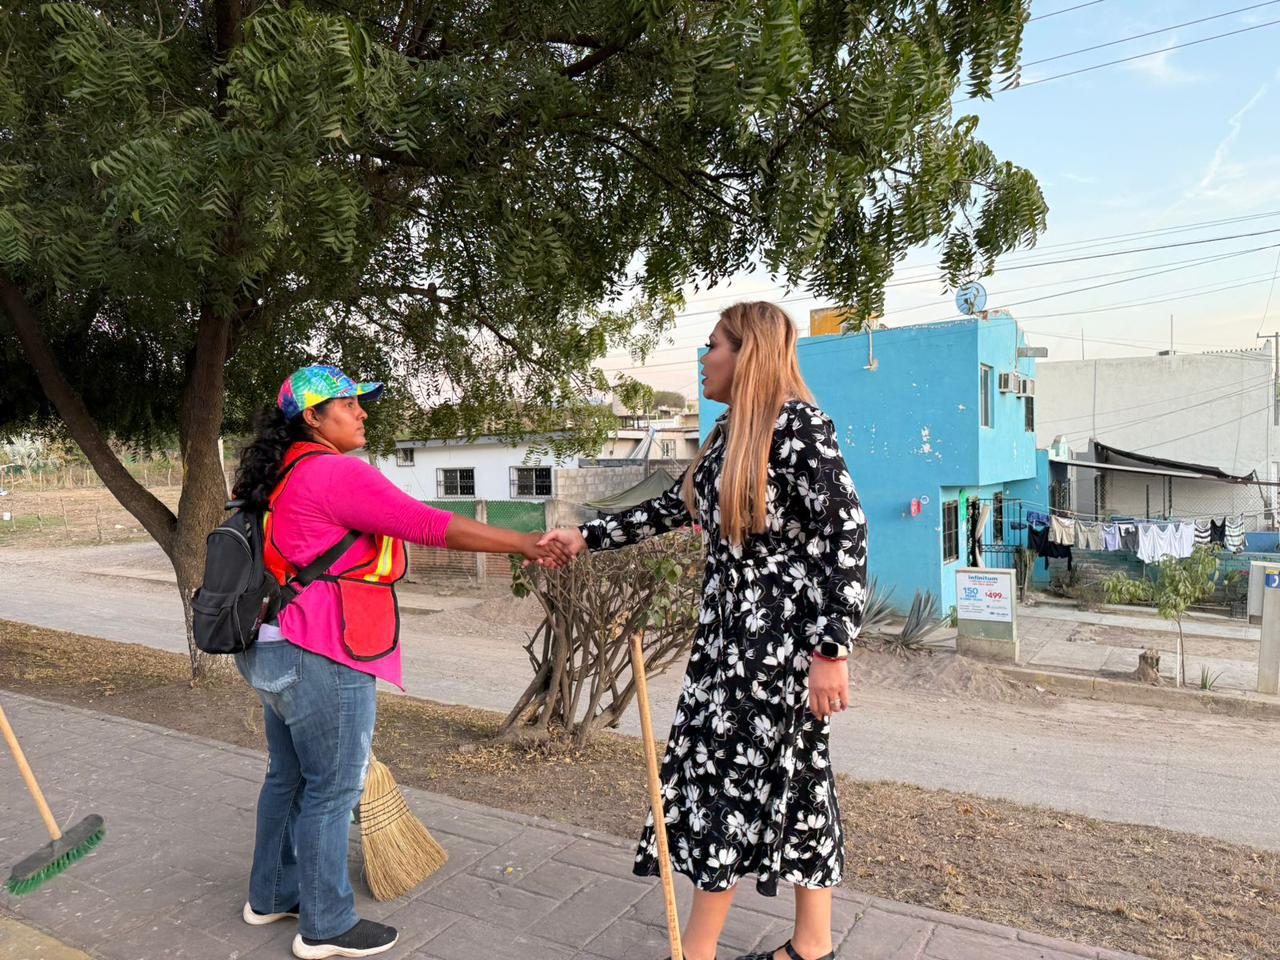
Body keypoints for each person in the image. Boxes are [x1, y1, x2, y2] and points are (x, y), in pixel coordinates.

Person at [539, 302, 867, 960]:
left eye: (714, 344)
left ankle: (701, 952)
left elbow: (847, 535)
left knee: (749, 783)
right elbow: (670, 507)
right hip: (726, 646)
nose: (704, 356)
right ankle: (811, 948)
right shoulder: (726, 437)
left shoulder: (800, 427)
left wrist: (832, 650)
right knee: (782, 779)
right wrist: (585, 535)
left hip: (777, 649)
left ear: (748, 354)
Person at [230, 364, 566, 960]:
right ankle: (325, 925)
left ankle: (273, 894)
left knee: (288, 777)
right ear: (312, 417)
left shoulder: (277, 475)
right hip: (323, 651)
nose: (362, 412)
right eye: (348, 404)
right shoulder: (333, 471)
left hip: (273, 648)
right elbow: (428, 525)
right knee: (333, 788)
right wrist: (522, 543)